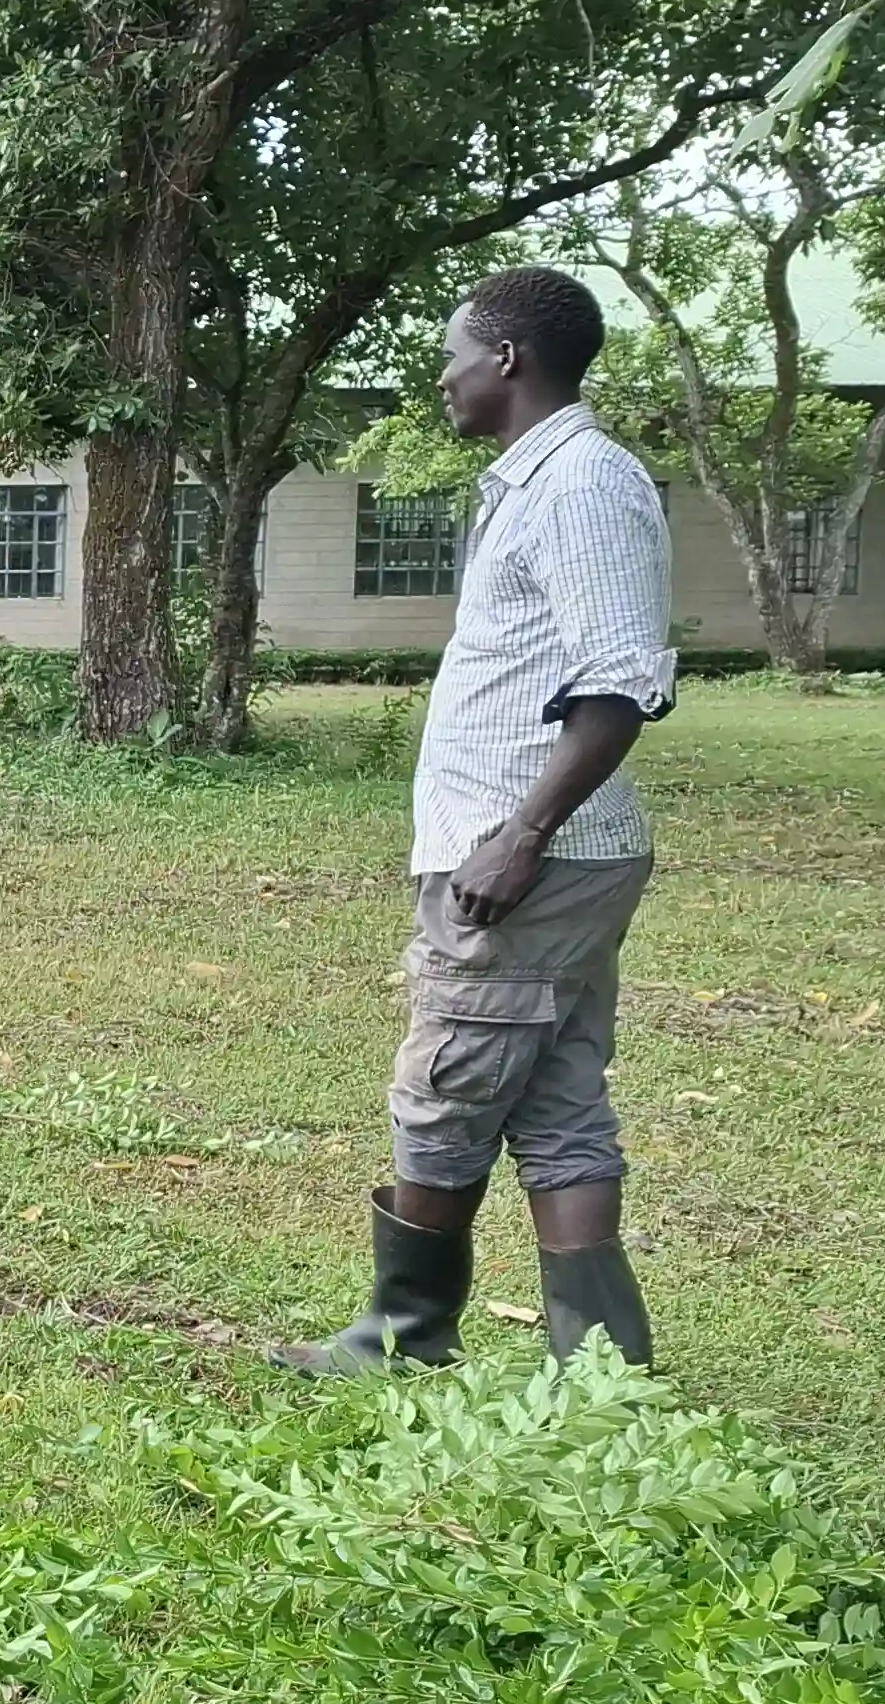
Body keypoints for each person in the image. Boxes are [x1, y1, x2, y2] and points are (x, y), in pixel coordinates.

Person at [277, 266, 675, 1377]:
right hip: (540, 851)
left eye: (453, 354)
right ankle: (601, 1370)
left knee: (446, 1085)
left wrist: (520, 835)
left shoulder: (580, 484)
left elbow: (618, 684)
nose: (443, 377)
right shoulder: (539, 480)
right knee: (555, 1099)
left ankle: (402, 1334)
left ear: (506, 357)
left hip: (529, 860)